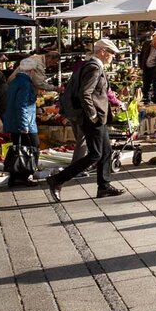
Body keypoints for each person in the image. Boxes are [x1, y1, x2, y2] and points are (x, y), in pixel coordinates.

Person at [47, 39, 127, 201]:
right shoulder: (94, 68)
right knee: (95, 154)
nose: (113, 57)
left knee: (106, 151)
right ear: (102, 51)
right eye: (111, 53)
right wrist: (92, 115)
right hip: (93, 118)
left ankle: (104, 186)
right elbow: (86, 93)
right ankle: (57, 180)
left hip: (97, 117)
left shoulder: (91, 65)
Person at [4, 57, 45, 187]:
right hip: (25, 122)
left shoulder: (15, 81)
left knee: (18, 148)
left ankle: (14, 176)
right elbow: (22, 106)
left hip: (13, 121)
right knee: (33, 148)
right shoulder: (26, 84)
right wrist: (24, 126)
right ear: (32, 71)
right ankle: (25, 175)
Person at [138, 29, 156, 104]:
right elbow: (141, 55)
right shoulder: (147, 44)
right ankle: (147, 99)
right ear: (151, 42)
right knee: (146, 84)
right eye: (154, 43)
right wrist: (141, 65)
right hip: (146, 67)